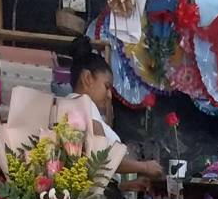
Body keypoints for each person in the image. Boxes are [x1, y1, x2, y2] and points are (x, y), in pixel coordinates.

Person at [69, 37, 164, 182]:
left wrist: (126, 186)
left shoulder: (71, 103)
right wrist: (144, 167)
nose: (109, 95)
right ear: (87, 78)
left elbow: (93, 171)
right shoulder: (84, 106)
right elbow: (99, 156)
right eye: (106, 87)